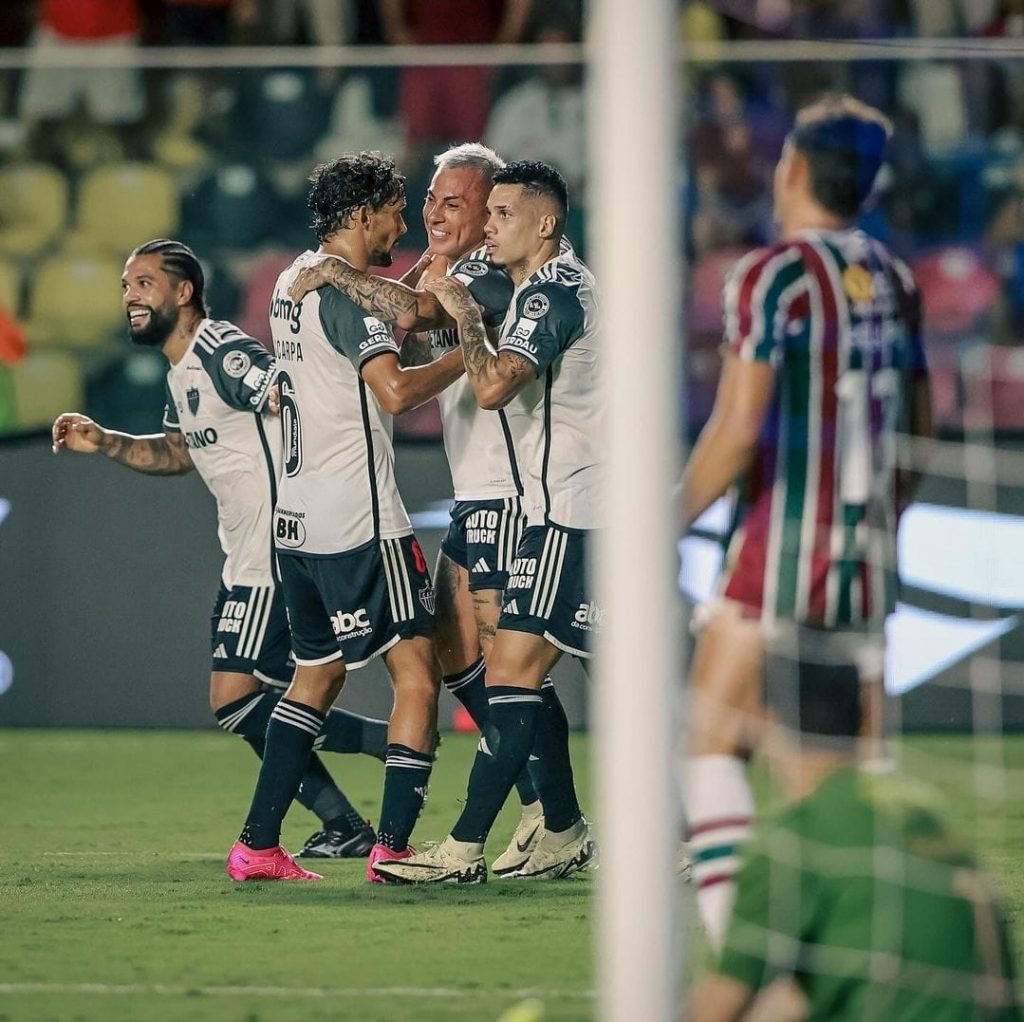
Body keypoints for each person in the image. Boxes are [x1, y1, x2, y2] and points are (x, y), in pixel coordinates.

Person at [287, 142, 585, 878]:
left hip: (519, 493)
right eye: (430, 200)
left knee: (515, 665)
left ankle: (551, 816)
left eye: (456, 202)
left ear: (495, 214)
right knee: (465, 652)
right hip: (483, 486)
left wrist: (338, 272)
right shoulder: (465, 270)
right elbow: (409, 315)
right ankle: (550, 814)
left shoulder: (496, 275)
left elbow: (415, 321)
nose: (434, 212)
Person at [678, 95, 934, 948]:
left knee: (713, 747)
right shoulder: (896, 279)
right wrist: (879, 516)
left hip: (779, 551)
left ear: (791, 170)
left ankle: (749, 964)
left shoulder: (772, 276)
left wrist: (662, 524)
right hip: (864, 555)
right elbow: (922, 428)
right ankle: (873, 953)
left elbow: (738, 428)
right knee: (847, 773)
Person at [51, 239, 388, 868]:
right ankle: (347, 816)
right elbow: (182, 453)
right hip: (245, 555)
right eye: (126, 285)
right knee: (267, 700)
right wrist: (107, 442)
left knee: (236, 698)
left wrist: (310, 497)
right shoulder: (182, 374)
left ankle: (375, 758)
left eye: (144, 283)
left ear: (183, 293)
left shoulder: (220, 350)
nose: (130, 296)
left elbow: (286, 397)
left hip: (273, 551)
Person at [226, 152, 466, 883]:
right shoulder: (348, 297)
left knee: (315, 676)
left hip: (296, 525)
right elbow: (394, 392)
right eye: (396, 208)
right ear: (362, 215)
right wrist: (475, 352)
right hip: (361, 523)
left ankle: (258, 846)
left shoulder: (295, 281)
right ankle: (393, 847)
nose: (404, 218)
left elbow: (402, 302)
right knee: (418, 680)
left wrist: (430, 273)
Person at [372, 160, 600, 884]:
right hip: (552, 509)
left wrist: (458, 309)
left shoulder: (547, 289)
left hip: (573, 510)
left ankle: (497, 838)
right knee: (517, 672)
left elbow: (495, 384)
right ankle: (547, 830)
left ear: (543, 223)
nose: (487, 226)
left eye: (498, 214)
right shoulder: (536, 285)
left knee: (515, 672)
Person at [686, 638, 1021, 1022]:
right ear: (864, 715)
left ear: (768, 722)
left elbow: (719, 1008)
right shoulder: (926, 813)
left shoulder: (794, 839)